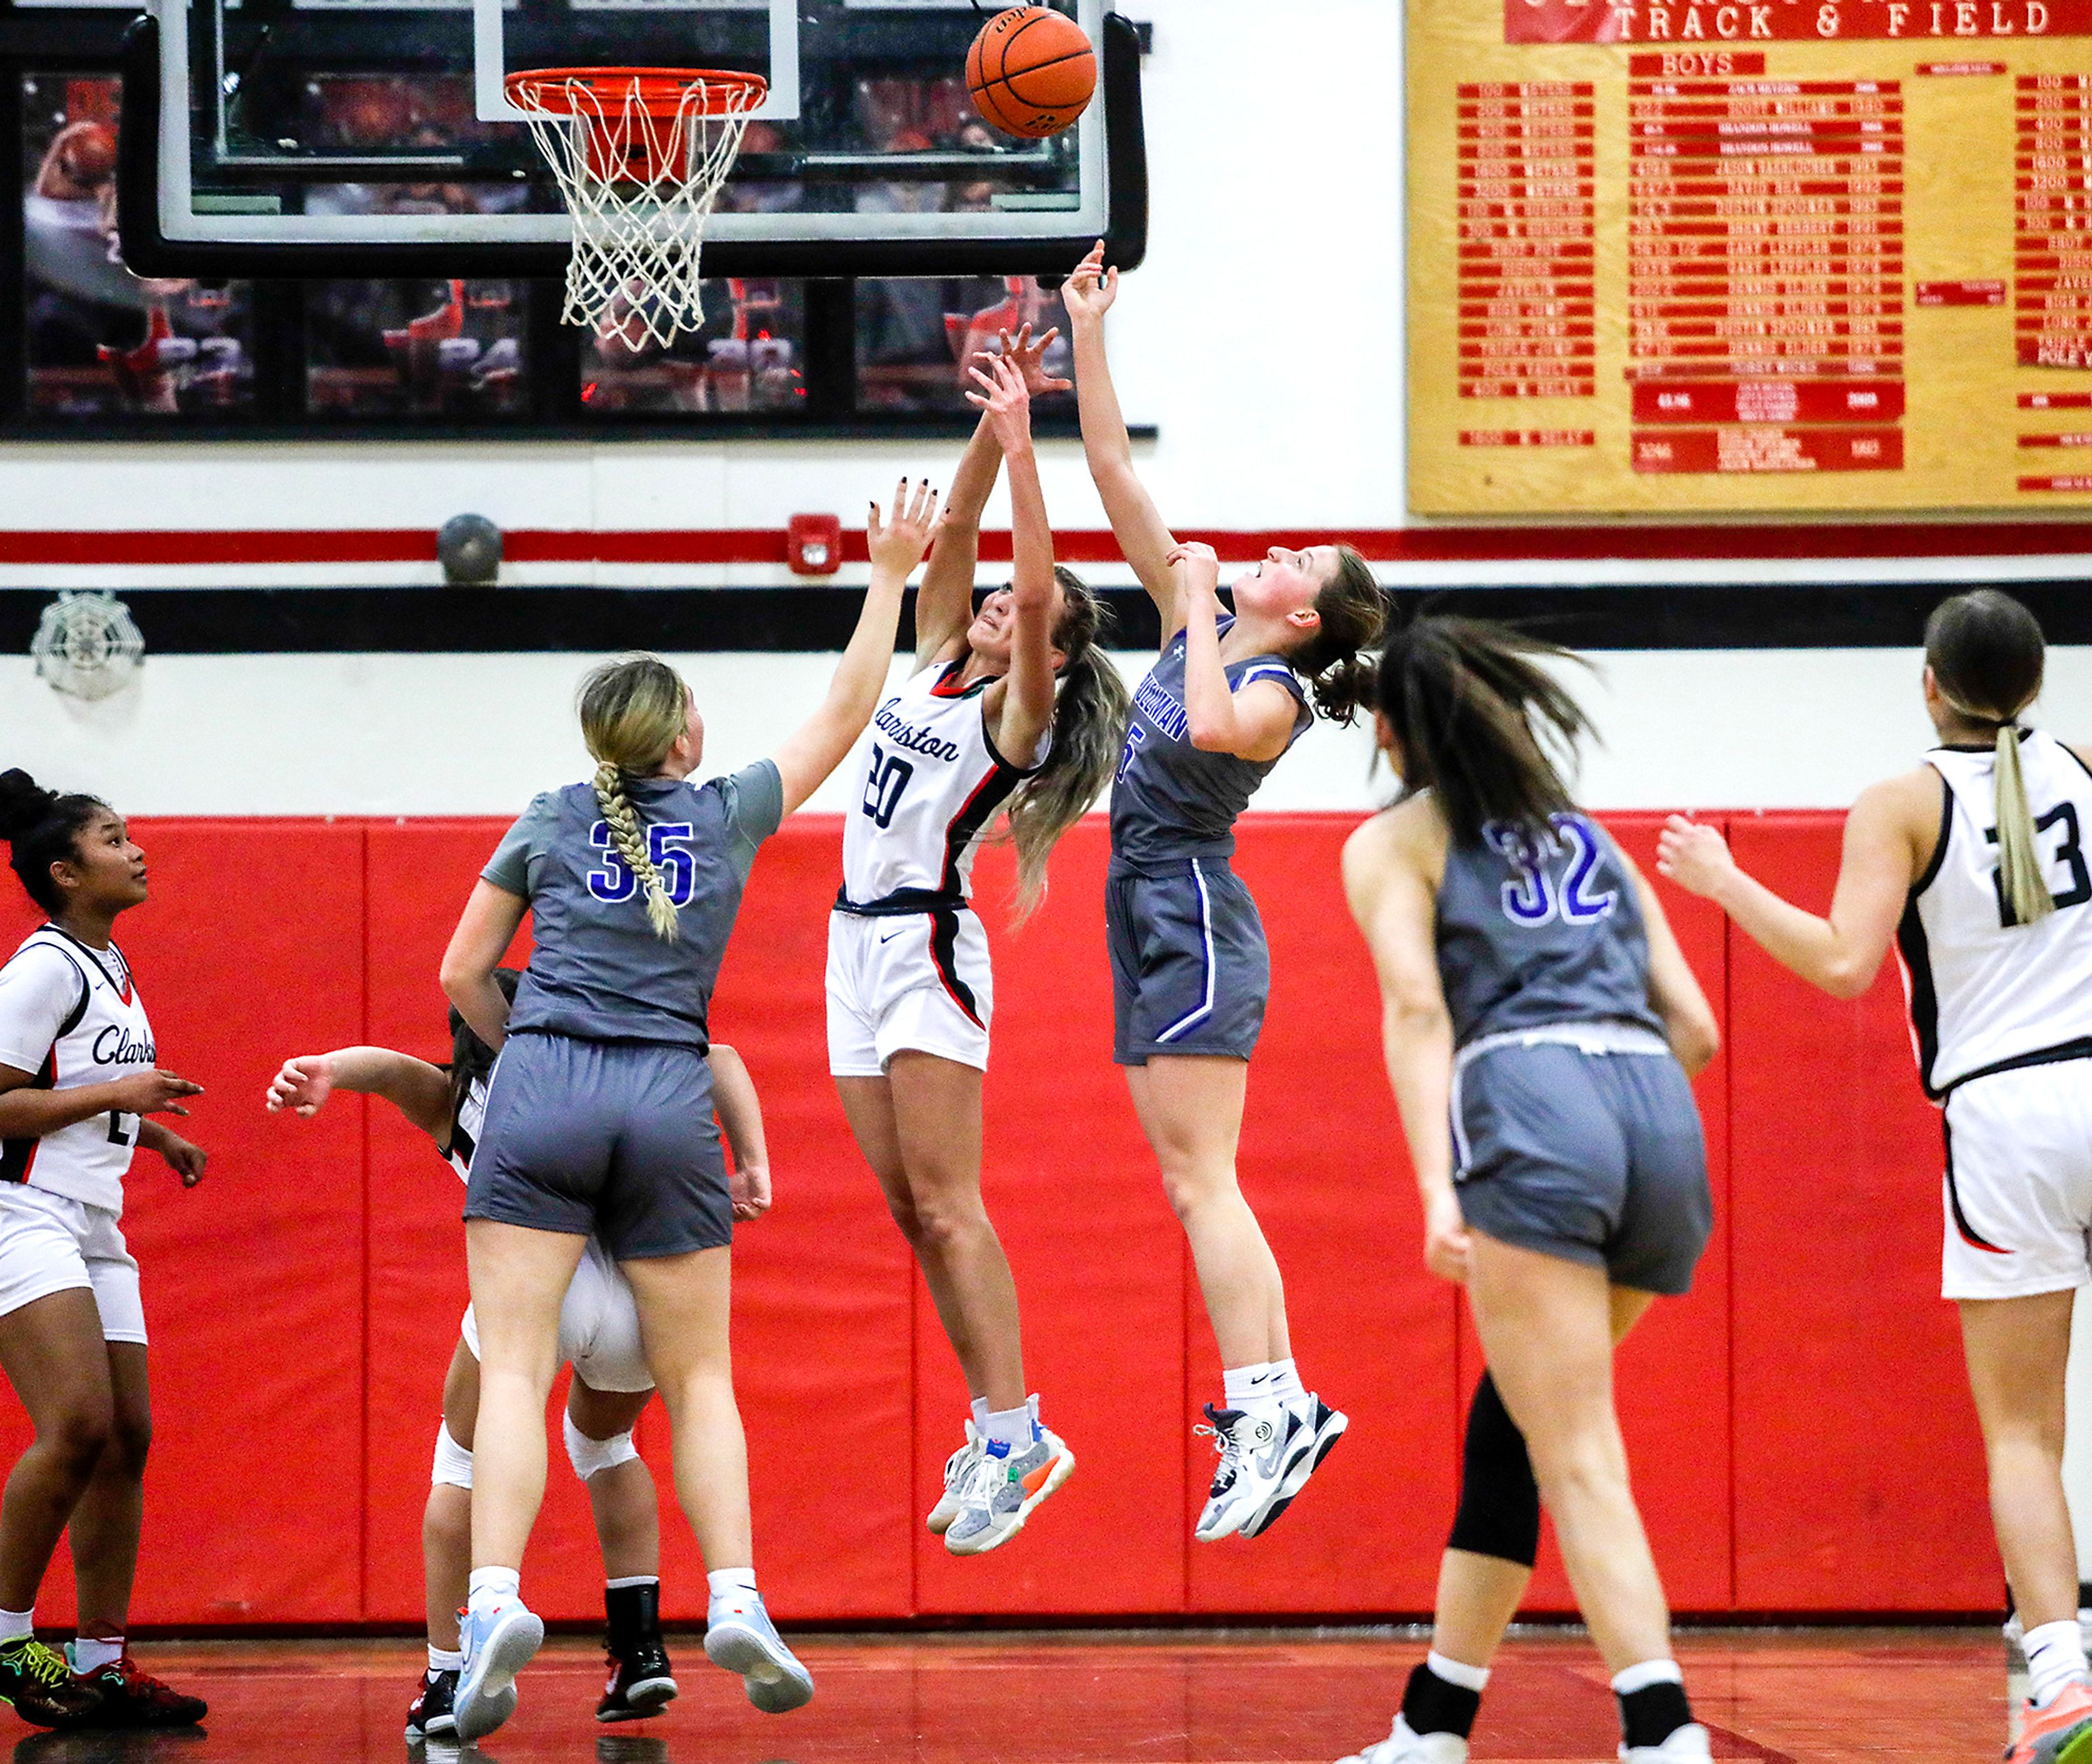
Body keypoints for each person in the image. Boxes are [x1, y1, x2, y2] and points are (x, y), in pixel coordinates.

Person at [1655, 589, 2092, 1763]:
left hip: (2015, 1108)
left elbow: (1846, 963)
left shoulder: (1902, 800)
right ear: (2038, 681)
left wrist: (1723, 881)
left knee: (2021, 1431)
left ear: (1927, 682)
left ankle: (2062, 1681)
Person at [435, 477, 942, 1741]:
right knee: (700, 1374)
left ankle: (495, 1599)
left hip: (546, 1077)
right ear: (677, 743)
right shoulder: (725, 815)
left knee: (514, 1374)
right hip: (671, 1090)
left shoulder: (551, 815)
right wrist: (887, 572)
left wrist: (537, 1054)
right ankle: (741, 1599)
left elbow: (458, 974)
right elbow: (844, 709)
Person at [1338, 618, 1721, 1764]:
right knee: (1520, 1415)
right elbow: (1696, 1026)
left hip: (1533, 1099)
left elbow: (1418, 1010)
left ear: (1394, 733)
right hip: (1660, 1115)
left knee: (1579, 1449)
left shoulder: (1396, 840)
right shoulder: (1590, 837)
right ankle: (1434, 1723)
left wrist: (1438, 1184)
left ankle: (1663, 1730)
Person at [1061, 240, 1392, 1541]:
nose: (1276, 549)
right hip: (1138, 904)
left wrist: (1194, 598)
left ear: (1306, 614)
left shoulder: (1275, 688)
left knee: (1210, 1180)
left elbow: (1203, 729)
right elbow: (1113, 475)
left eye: (1298, 557)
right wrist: (1087, 330)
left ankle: (1275, 1400)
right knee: (1190, 1179)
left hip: (1195, 911)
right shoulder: (1204, 616)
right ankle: (1276, 1403)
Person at [266, 969, 776, 1738]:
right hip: (645, 1298)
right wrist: (753, 1158)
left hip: (539, 1292)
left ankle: (449, 1666)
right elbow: (722, 1055)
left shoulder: (463, 1094)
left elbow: (392, 1068)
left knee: (459, 1462)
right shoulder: (618, 1061)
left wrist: (328, 1067)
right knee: (606, 1442)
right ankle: (642, 1646)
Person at [829, 335, 1124, 1555]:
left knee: (954, 1207)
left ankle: (1021, 1430)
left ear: (1051, 654)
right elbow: (954, 538)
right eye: (997, 597)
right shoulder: (943, 655)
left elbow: (1043, 589)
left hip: (928, 948)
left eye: (1023, 607)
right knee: (911, 1212)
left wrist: (1027, 450)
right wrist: (983, 427)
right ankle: (991, 1421)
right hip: (850, 945)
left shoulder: (1019, 715)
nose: (1003, 598)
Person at [0, 769, 209, 1732]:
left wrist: (152, 1134)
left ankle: (101, 1660)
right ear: (64, 870)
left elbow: (85, 1089)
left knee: (128, 1434)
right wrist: (117, 1101)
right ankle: (0, 1631)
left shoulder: (113, 969)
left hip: (91, 1218)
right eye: (113, 838)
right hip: (11, 1208)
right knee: (78, 1425)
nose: (136, 848)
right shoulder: (42, 967)